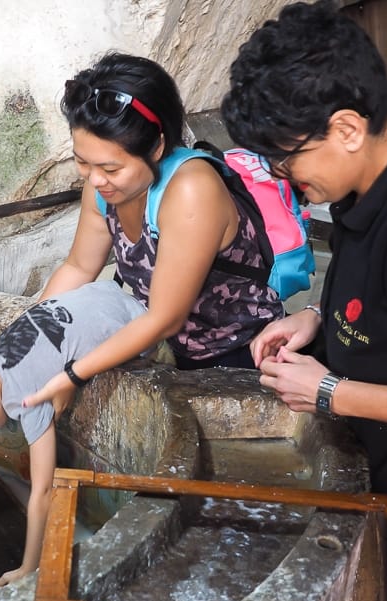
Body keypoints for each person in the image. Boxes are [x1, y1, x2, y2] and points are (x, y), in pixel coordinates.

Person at [219, 0, 387, 601]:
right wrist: (318, 321)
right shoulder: (367, 183)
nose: (282, 176)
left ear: (348, 129)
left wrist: (330, 393)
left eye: (287, 158)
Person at [22, 52, 284, 414]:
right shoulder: (102, 189)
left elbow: (164, 317)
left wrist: (73, 374)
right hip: (177, 353)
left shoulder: (192, 189)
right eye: (83, 162)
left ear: (157, 147)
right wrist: (26, 342)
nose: (96, 179)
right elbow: (79, 268)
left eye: (111, 167)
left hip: (247, 359)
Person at [0, 280, 150, 589]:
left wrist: (28, 568)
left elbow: (44, 491)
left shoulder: (28, 397)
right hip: (104, 294)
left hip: (140, 326)